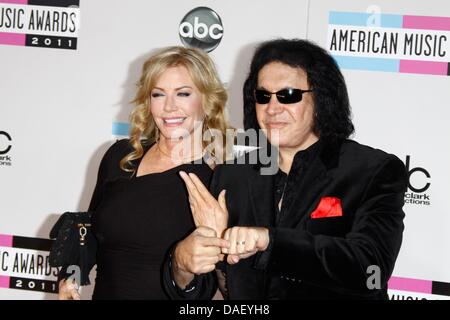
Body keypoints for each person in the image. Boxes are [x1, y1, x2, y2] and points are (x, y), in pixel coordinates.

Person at [165, 39, 408, 299]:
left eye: (288, 95)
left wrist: (269, 241)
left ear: (322, 98)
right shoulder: (232, 175)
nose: (272, 108)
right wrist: (182, 267)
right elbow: (216, 289)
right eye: (262, 96)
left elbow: (371, 268)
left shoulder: (371, 171)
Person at [58, 46, 230, 299]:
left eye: (183, 93)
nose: (169, 107)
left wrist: (222, 246)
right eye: (158, 94)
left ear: (207, 101)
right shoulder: (121, 157)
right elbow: (89, 230)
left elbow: (232, 289)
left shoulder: (222, 179)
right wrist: (70, 278)